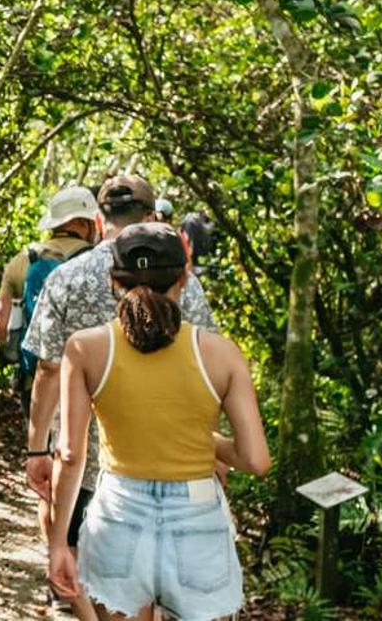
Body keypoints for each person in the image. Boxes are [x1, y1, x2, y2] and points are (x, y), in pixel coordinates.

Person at [46, 223, 269, 620]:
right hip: (198, 517)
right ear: (185, 278)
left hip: (119, 514)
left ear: (114, 281)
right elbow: (255, 460)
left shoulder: (85, 348)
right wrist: (204, 439)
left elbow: (68, 453)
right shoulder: (221, 354)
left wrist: (59, 543)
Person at [20, 176, 217, 617]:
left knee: (109, 586)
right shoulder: (180, 282)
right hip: (168, 457)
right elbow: (206, 366)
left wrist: (38, 447)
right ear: (151, 220)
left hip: (93, 471)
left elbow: (48, 370)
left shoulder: (65, 278)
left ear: (98, 219)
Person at [0, 185, 100, 380]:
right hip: (87, 379)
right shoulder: (99, 260)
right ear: (85, 223)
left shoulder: (22, 260)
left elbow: (0, 326)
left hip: (37, 380)